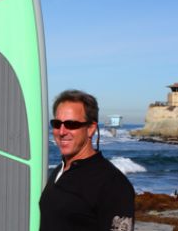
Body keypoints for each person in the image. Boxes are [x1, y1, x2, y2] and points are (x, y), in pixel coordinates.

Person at [39, 89, 135, 231]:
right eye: (57, 123)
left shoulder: (112, 184)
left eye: (71, 124)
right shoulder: (61, 170)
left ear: (90, 129)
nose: (62, 132)